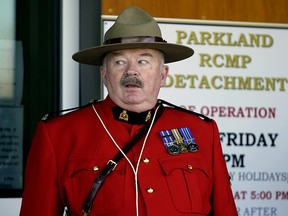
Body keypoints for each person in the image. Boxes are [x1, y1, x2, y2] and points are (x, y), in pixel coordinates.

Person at [20, 6, 237, 216]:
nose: (131, 71)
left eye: (143, 61)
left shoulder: (201, 131)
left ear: (162, 75)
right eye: (119, 62)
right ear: (104, 74)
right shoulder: (59, 135)